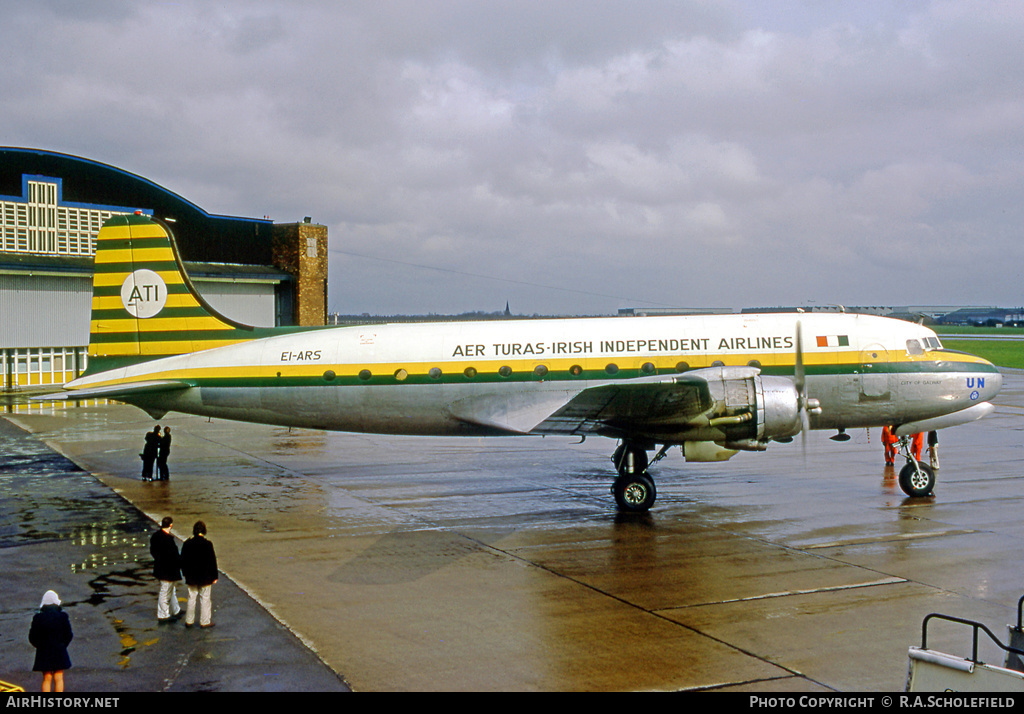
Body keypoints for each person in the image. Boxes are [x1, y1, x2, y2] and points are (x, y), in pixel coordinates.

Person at [28, 590, 72, 692]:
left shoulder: (38, 617)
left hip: (44, 650)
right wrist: (62, 645)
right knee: (59, 677)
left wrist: (39, 646)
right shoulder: (62, 616)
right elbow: (68, 634)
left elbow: (32, 637)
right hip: (59, 649)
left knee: (47, 678)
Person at [180, 521, 218, 628]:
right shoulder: (208, 544)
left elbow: (182, 560)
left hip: (191, 576)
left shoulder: (187, 543)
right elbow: (212, 561)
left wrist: (185, 573)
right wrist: (214, 576)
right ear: (204, 531)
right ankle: (205, 621)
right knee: (205, 599)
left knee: (191, 598)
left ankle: (189, 620)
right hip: (205, 577)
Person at [150, 516, 182, 622]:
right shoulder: (168, 540)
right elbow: (174, 556)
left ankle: (176, 610)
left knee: (170, 590)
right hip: (168, 570)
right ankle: (163, 614)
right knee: (166, 591)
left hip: (160, 568)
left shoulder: (155, 536)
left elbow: (153, 551)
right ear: (171, 525)